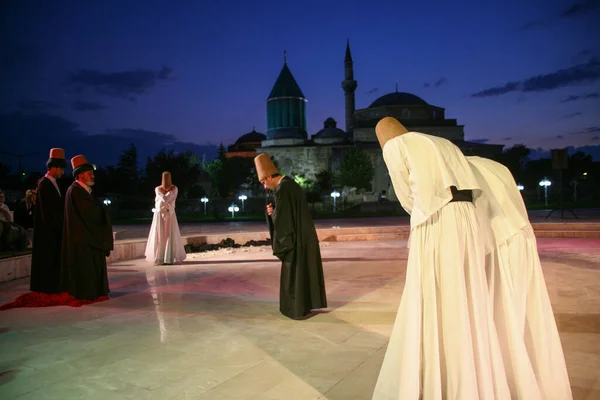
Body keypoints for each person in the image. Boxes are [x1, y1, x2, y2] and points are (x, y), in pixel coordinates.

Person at [372, 117, 514, 399]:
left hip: (436, 219)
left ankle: (441, 373)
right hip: (467, 217)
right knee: (465, 291)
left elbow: (407, 198)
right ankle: (469, 371)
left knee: (434, 293)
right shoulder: (442, 143)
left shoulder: (396, 145)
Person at [468, 155, 572, 399]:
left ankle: (508, 378)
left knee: (502, 315)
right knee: (521, 314)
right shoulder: (493, 168)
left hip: (499, 240)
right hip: (516, 233)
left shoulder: (467, 170)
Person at [254, 153, 327, 320]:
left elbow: (284, 219)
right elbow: (286, 212)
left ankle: (295, 308)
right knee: (303, 271)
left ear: (270, 176)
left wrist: (272, 216)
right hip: (304, 234)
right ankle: (305, 306)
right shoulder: (290, 184)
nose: (265, 186)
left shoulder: (282, 188)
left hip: (294, 238)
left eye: (264, 181)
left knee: (294, 271)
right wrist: (275, 213)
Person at [60, 155, 113, 300]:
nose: (93, 176)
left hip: (87, 237)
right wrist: (101, 209)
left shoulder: (82, 190)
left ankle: (94, 291)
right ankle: (88, 292)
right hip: (84, 239)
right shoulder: (76, 191)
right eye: (90, 173)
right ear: (81, 175)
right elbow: (89, 213)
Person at [30, 148, 66, 293]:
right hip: (48, 231)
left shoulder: (51, 183)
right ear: (54, 167)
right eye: (61, 169)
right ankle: (47, 287)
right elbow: (50, 211)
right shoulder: (45, 184)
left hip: (52, 230)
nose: (63, 172)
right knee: (47, 259)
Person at [145, 171, 187, 265]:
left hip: (169, 214)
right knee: (160, 234)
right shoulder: (158, 189)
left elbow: (167, 198)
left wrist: (166, 197)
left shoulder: (174, 188)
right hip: (160, 215)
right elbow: (164, 199)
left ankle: (169, 257)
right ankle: (160, 257)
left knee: (169, 234)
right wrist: (166, 197)